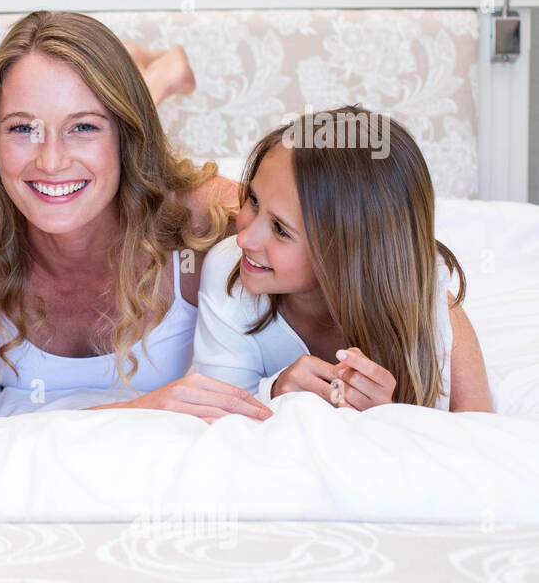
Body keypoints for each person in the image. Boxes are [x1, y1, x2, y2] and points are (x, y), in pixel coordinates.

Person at [0, 10, 272, 431]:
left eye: (83, 126)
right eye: (22, 129)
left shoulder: (203, 215)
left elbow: (326, 241)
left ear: (126, 139)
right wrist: (138, 411)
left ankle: (156, 78)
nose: (50, 161)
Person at [193, 107, 493, 411]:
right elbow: (219, 417)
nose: (243, 238)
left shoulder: (432, 312)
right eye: (254, 201)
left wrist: (389, 416)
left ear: (349, 252)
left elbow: (474, 439)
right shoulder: (227, 271)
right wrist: (275, 392)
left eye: (281, 230)